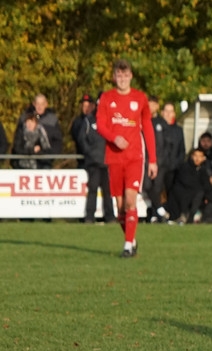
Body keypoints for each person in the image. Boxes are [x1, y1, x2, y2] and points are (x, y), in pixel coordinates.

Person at [95, 59, 157, 257]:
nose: (122, 79)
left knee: (131, 201)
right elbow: (100, 124)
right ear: (114, 77)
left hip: (134, 157)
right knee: (121, 208)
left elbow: (147, 128)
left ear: (131, 76)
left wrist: (153, 159)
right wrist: (114, 138)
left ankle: (128, 245)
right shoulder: (107, 98)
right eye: (118, 75)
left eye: (125, 75)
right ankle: (132, 238)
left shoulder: (140, 98)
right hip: (114, 158)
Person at [71, 93, 115, 224]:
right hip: (93, 162)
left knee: (108, 191)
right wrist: (89, 153)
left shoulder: (111, 120)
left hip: (107, 161)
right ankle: (89, 216)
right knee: (93, 189)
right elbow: (81, 139)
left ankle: (110, 217)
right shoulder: (89, 120)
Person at [144, 97, 185, 222]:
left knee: (162, 190)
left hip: (167, 165)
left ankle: (162, 214)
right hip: (152, 162)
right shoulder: (152, 122)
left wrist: (173, 163)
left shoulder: (176, 129)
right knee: (148, 186)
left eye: (170, 111)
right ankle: (159, 212)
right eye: (166, 111)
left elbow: (179, 149)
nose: (168, 114)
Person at [165, 148, 212, 224]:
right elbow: (187, 183)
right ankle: (189, 218)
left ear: (203, 158)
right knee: (199, 193)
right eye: (195, 156)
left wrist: (209, 196)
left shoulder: (203, 169)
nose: (197, 159)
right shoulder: (184, 167)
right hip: (182, 195)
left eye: (200, 156)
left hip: (196, 196)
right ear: (191, 156)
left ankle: (206, 220)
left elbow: (207, 185)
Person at [13, 94, 64, 167]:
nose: (40, 107)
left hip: (45, 162)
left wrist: (49, 156)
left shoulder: (52, 120)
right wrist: (31, 151)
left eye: (42, 104)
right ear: (34, 104)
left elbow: (57, 142)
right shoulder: (24, 118)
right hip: (25, 162)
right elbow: (17, 142)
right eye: (37, 104)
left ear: (46, 104)